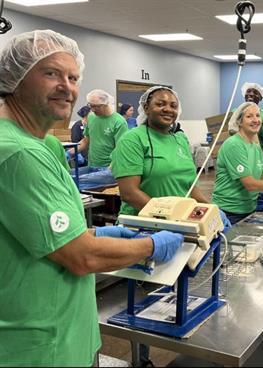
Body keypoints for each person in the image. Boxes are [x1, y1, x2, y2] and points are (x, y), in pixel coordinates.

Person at [0, 29, 185, 366]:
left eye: (73, 77)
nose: (67, 86)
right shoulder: (16, 153)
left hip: (65, 329)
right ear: (14, 78)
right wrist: (152, 246)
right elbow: (81, 258)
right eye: (51, 73)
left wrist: (95, 233)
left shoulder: (42, 145)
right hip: (38, 345)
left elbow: (44, 237)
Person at [111, 86, 222, 220]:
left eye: (173, 106)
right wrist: (168, 219)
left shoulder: (180, 139)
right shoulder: (132, 140)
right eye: (160, 104)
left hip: (180, 221)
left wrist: (211, 212)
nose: (168, 109)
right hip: (142, 226)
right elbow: (129, 193)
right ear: (146, 108)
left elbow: (190, 186)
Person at [74, 89, 128, 168]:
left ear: (106, 104)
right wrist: (70, 153)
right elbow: (86, 140)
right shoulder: (91, 117)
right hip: (92, 165)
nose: (92, 109)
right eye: (90, 106)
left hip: (110, 167)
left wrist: (111, 168)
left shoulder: (119, 122)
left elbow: (121, 150)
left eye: (96, 106)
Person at [241, 82, 263, 154]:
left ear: (260, 98)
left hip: (255, 161)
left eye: (255, 92)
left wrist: (254, 155)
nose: (251, 94)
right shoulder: (235, 113)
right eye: (248, 91)